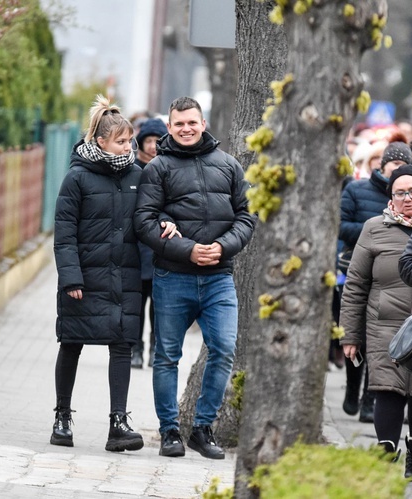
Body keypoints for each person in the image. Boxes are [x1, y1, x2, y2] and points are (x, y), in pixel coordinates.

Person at [134, 96, 255, 460]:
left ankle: (202, 429)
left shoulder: (229, 165)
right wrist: (187, 249)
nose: (186, 129)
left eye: (191, 122)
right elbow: (144, 221)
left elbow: (246, 217)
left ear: (202, 123)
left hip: (219, 276)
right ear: (169, 128)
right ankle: (170, 430)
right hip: (173, 276)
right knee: (167, 354)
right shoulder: (158, 168)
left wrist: (221, 247)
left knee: (224, 349)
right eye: (178, 124)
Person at [52, 95, 154, 452]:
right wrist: (71, 278)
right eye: (122, 141)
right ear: (101, 142)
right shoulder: (76, 179)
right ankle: (62, 417)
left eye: (130, 141)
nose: (130, 148)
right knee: (72, 343)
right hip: (84, 278)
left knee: (123, 346)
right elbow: (64, 233)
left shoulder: (138, 176)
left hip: (124, 277)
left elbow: (148, 220)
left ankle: (118, 423)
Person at [341, 165, 412, 481]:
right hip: (383, 324)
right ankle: (386, 451)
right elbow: (355, 284)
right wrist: (349, 335)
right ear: (390, 197)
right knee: (388, 389)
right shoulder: (373, 228)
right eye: (400, 193)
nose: (407, 198)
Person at [338, 141, 412, 423]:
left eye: (403, 164)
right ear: (382, 165)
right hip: (353, 268)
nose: (398, 169)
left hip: (387, 280)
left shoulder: (406, 195)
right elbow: (340, 224)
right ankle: (351, 387)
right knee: (353, 332)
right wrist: (375, 229)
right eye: (393, 164)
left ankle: (370, 399)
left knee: (379, 341)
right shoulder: (356, 190)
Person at [131, 117, 168, 369]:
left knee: (159, 307)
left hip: (160, 249)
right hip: (134, 249)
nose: (153, 145)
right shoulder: (131, 170)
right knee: (135, 306)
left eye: (158, 140)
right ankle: (135, 350)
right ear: (141, 142)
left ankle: (156, 349)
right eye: (149, 140)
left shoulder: (168, 169)